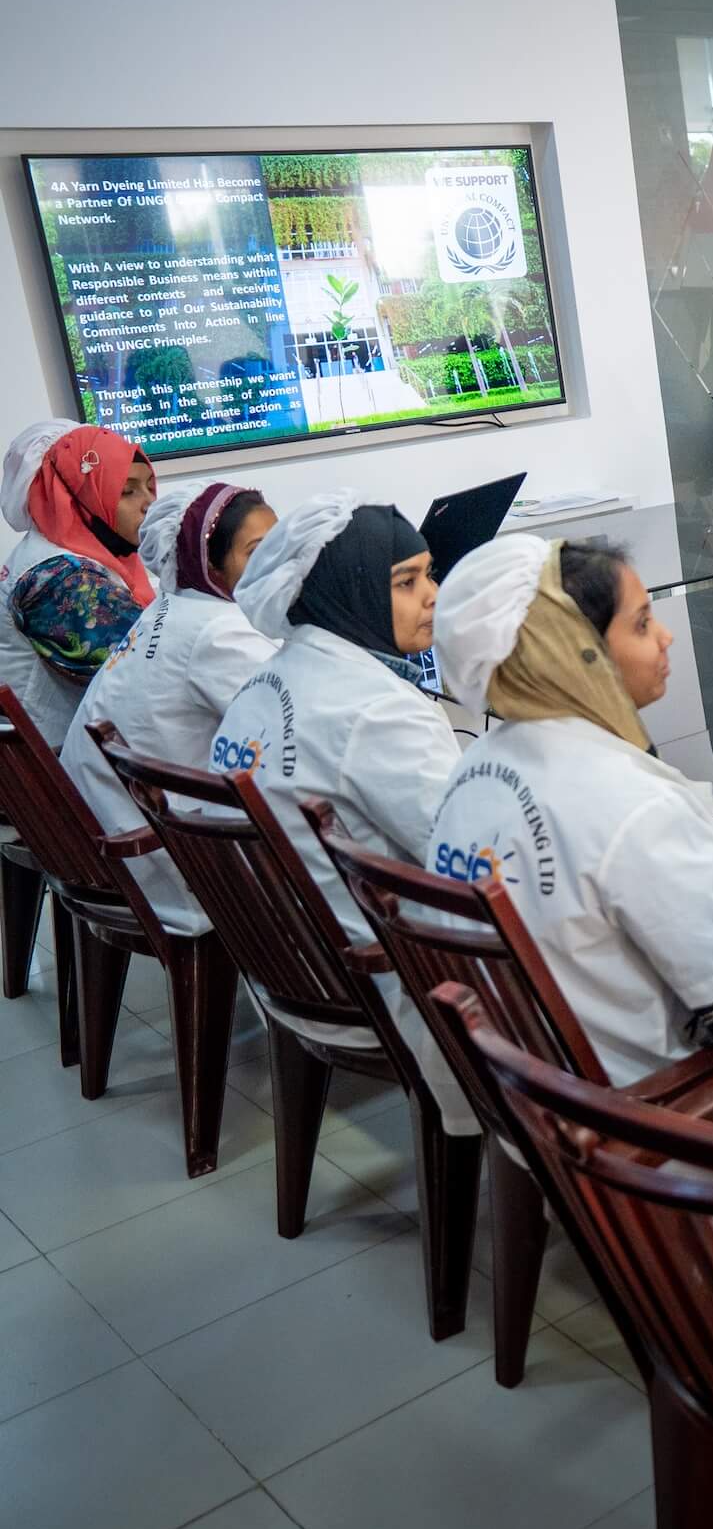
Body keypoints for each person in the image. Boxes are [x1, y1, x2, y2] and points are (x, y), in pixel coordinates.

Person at [428, 534, 713, 1085]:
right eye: (643, 623)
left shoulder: (471, 772)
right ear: (574, 653)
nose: (667, 637)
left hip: (527, 1089)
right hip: (644, 1110)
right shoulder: (631, 804)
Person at [219, 491, 473, 1131]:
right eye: (406, 582)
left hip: (290, 965)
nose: (433, 594)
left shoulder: (268, 681)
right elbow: (473, 847)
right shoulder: (373, 709)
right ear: (347, 588)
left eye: (430, 573)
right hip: (377, 973)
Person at [63, 483, 279, 935]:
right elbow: (300, 724)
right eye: (257, 551)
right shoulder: (218, 633)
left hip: (109, 842)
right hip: (161, 862)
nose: (281, 563)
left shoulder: (172, 606)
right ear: (209, 562)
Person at [0, 424, 156, 744]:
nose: (149, 503)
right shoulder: (59, 579)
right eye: (126, 491)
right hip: (60, 774)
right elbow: (152, 671)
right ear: (79, 498)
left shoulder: (78, 558)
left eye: (149, 486)